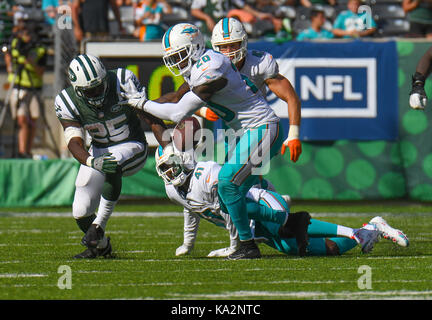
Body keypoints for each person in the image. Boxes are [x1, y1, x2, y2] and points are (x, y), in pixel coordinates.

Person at [120, 23, 305, 260]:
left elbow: (177, 113)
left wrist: (138, 102)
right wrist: (141, 105)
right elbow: (174, 98)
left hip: (262, 127)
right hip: (247, 132)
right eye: (173, 57)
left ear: (196, 47)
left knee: (227, 183)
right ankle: (291, 222)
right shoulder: (201, 66)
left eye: (180, 55)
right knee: (227, 199)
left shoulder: (213, 65)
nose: (177, 62)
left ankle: (248, 246)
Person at [154, 146, 408, 258]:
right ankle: (370, 229)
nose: (170, 173)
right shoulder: (173, 190)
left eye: (172, 166)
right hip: (252, 225)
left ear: (184, 160)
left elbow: (236, 205)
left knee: (288, 227)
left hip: (260, 206)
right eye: (165, 168)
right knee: (303, 248)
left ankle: (357, 233)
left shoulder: (207, 173)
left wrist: (236, 246)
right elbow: (192, 209)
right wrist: (188, 242)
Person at [54, 54, 168, 259]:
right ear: (78, 90)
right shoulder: (66, 101)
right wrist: (90, 160)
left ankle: (99, 225)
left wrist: (169, 149)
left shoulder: (122, 80)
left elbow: (150, 116)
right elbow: (74, 141)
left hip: (132, 145)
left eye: (100, 85)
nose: (98, 92)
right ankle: (102, 246)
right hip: (99, 151)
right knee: (80, 210)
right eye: (91, 90)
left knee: (112, 163)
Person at [211, 17, 302, 160]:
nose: (228, 52)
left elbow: (291, 97)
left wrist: (294, 134)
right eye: (224, 46)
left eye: (233, 45)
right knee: (239, 178)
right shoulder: (210, 68)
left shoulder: (259, 64)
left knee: (236, 178)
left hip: (258, 126)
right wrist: (202, 110)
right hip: (231, 129)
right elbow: (190, 100)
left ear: (243, 42)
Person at [4, 21, 47, 158]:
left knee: (33, 119)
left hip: (34, 87)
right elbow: (9, 58)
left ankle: (28, 150)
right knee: (21, 119)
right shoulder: (16, 45)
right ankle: (22, 151)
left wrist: (30, 63)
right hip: (18, 86)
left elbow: (41, 71)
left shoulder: (40, 50)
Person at [190, 0, 273, 37]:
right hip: (209, 28)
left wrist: (259, 14)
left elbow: (243, 5)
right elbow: (194, 10)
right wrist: (207, 18)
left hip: (225, 25)